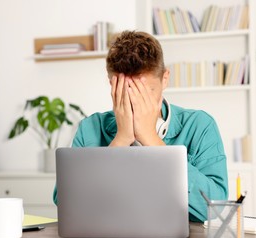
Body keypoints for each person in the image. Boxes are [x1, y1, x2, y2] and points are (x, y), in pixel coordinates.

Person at [53, 30, 228, 222]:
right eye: (128, 92)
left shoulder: (199, 126)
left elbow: (216, 208)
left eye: (146, 92)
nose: (137, 102)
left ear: (165, 79)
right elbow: (66, 203)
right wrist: (120, 141)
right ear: (112, 84)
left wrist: (151, 139)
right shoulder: (90, 128)